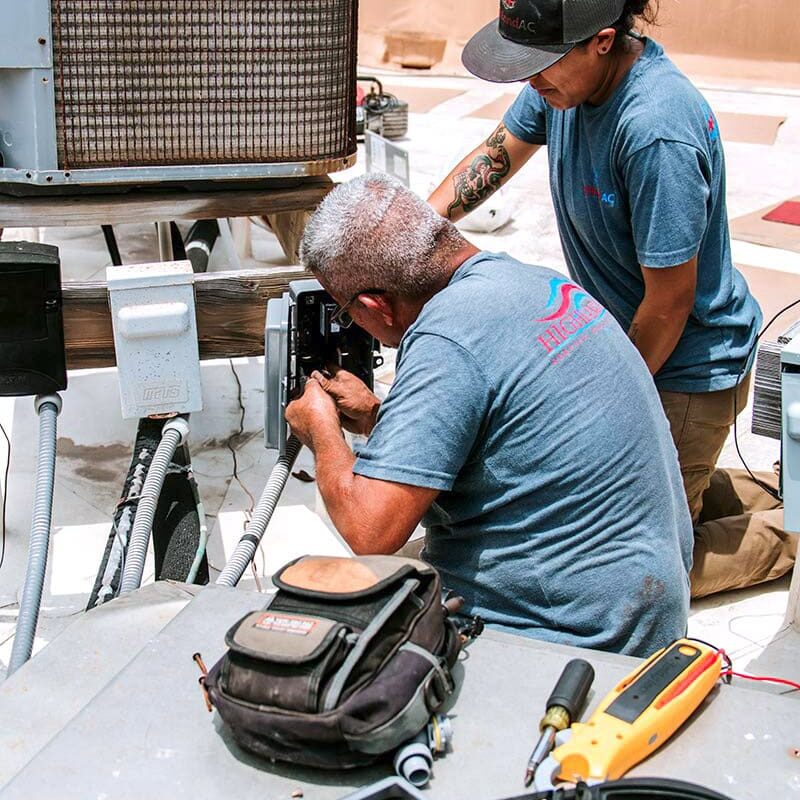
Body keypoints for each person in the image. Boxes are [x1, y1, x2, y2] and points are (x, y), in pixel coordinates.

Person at [428, 0, 795, 598]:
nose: (529, 80)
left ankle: (792, 531)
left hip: (686, 368)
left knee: (625, 570)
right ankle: (774, 488)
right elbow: (494, 157)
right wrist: (416, 229)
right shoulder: (561, 84)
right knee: (610, 505)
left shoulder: (656, 130)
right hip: (633, 346)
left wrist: (601, 401)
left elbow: (669, 306)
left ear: (602, 41)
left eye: (539, 65)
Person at [285, 172, 692, 658]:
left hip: (572, 638)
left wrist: (323, 432)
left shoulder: (446, 340)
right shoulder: (531, 280)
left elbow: (370, 531)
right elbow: (507, 429)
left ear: (378, 305)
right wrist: (379, 416)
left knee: (312, 633)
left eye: (350, 314)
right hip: (645, 611)